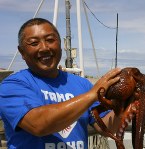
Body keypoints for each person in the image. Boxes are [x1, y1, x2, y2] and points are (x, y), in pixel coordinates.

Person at [0, 18, 122, 149]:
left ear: (60, 44)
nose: (44, 48)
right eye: (34, 43)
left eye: (50, 40)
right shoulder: (12, 86)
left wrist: (123, 104)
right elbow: (38, 125)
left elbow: (106, 127)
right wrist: (93, 94)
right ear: (22, 52)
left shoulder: (82, 84)